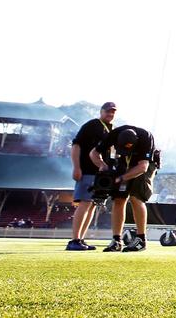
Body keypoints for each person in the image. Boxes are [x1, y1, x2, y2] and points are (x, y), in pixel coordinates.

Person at [90, 124, 158, 253]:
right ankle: (116, 240)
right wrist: (103, 166)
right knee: (118, 199)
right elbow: (94, 153)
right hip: (123, 162)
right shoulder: (114, 135)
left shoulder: (145, 137)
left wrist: (121, 178)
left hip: (143, 164)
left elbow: (143, 167)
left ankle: (141, 240)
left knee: (136, 197)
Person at [65, 101, 117, 251]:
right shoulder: (92, 125)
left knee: (93, 205)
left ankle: (80, 239)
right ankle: (74, 239)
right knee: (85, 203)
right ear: (101, 111)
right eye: (108, 111)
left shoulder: (110, 129)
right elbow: (76, 145)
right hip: (87, 170)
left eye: (113, 112)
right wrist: (76, 167)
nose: (110, 114)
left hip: (100, 174)